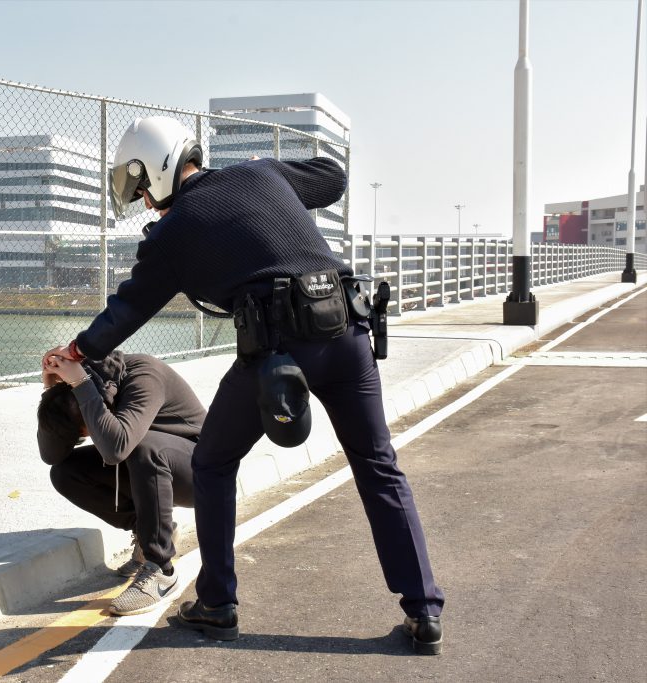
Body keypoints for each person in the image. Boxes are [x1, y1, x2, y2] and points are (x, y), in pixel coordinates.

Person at [42, 116, 445, 653]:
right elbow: (333, 178)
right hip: (348, 330)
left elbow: (127, 311)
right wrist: (269, 166)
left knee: (213, 464)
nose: (145, 202)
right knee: (378, 465)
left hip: (275, 350)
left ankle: (216, 604)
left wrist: (76, 352)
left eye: (142, 188)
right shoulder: (260, 176)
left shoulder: (175, 231)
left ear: (157, 169)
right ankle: (424, 610)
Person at [37, 350, 205, 616]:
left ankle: (161, 571)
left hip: (201, 471)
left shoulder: (144, 375)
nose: (89, 437)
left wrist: (81, 384)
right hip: (149, 464)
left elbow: (116, 448)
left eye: (86, 432)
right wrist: (51, 389)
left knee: (142, 447)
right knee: (65, 472)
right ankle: (147, 533)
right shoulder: (89, 389)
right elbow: (51, 456)